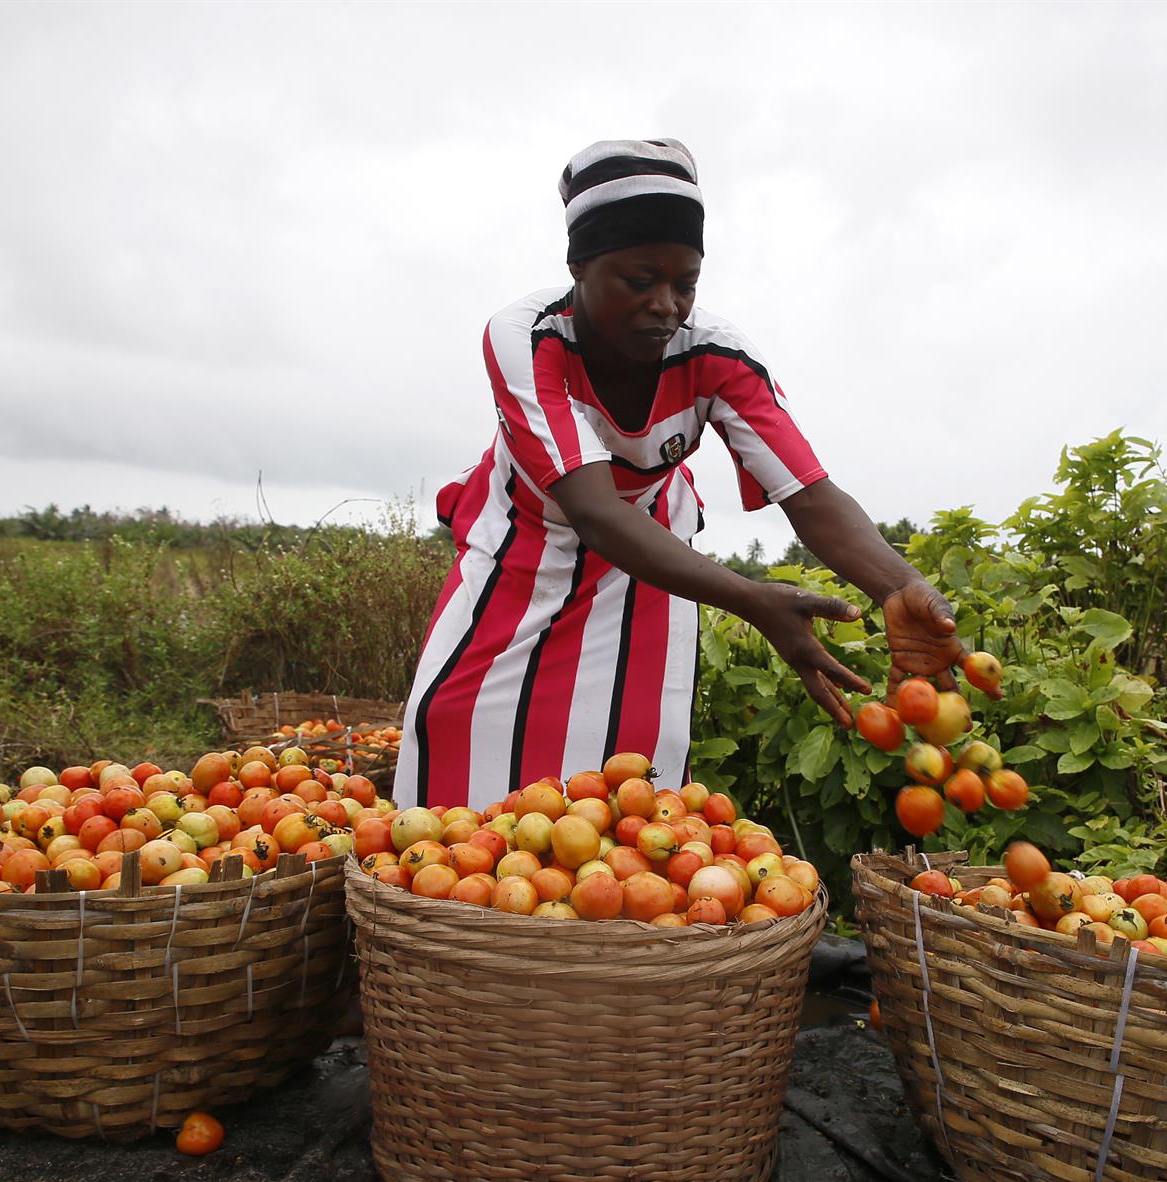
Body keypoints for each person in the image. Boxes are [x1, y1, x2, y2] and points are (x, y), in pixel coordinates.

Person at [393, 138, 964, 808]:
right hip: (525, 544)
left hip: (652, 561)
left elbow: (809, 496)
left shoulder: (716, 355)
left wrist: (902, 588)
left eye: (685, 284)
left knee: (631, 774)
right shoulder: (528, 337)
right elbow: (594, 510)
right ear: (578, 265)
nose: (667, 304)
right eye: (641, 281)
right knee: (451, 727)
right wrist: (753, 599)